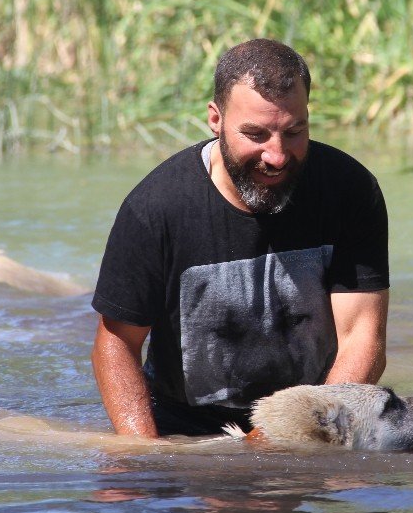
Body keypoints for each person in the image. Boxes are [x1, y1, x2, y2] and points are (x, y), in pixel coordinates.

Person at [91, 38, 390, 437]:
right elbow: (116, 346)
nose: (277, 155)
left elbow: (362, 337)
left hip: (316, 415)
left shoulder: (349, 190)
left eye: (294, 131)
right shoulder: (156, 208)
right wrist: (143, 454)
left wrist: (291, 431)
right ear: (215, 119)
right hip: (184, 424)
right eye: (256, 134)